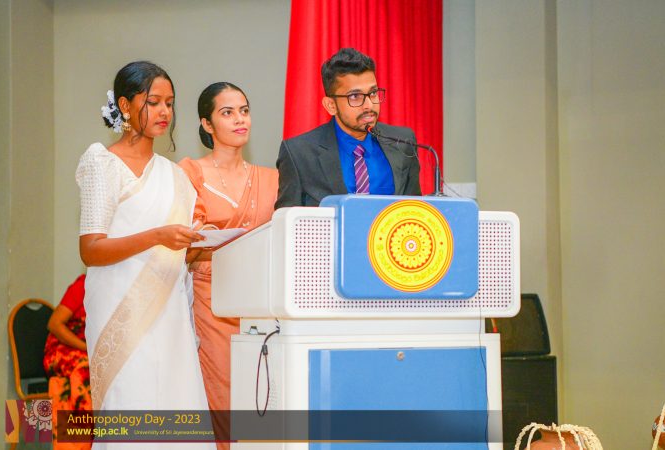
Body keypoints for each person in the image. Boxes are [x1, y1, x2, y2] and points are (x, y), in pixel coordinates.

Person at [76, 61, 208, 449]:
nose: (165, 111)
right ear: (125, 105)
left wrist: (198, 242)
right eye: (153, 102)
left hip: (169, 312)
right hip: (121, 312)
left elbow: (178, 255)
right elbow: (90, 249)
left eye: (169, 102)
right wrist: (157, 236)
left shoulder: (175, 176)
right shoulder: (102, 163)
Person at [178, 82, 278, 448]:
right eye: (228, 112)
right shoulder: (190, 171)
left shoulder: (272, 178)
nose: (240, 119)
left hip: (262, 302)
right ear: (207, 124)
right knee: (223, 394)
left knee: (264, 393)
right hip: (212, 300)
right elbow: (185, 241)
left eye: (244, 111)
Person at [275, 47, 422, 208]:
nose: (369, 105)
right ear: (331, 105)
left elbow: (415, 211)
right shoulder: (299, 153)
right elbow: (285, 218)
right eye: (355, 96)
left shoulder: (402, 143)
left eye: (373, 93)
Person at [44, 274, 91, 450]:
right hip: (62, 349)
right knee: (88, 372)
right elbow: (54, 324)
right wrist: (86, 348)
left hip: (88, 352)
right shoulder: (83, 285)